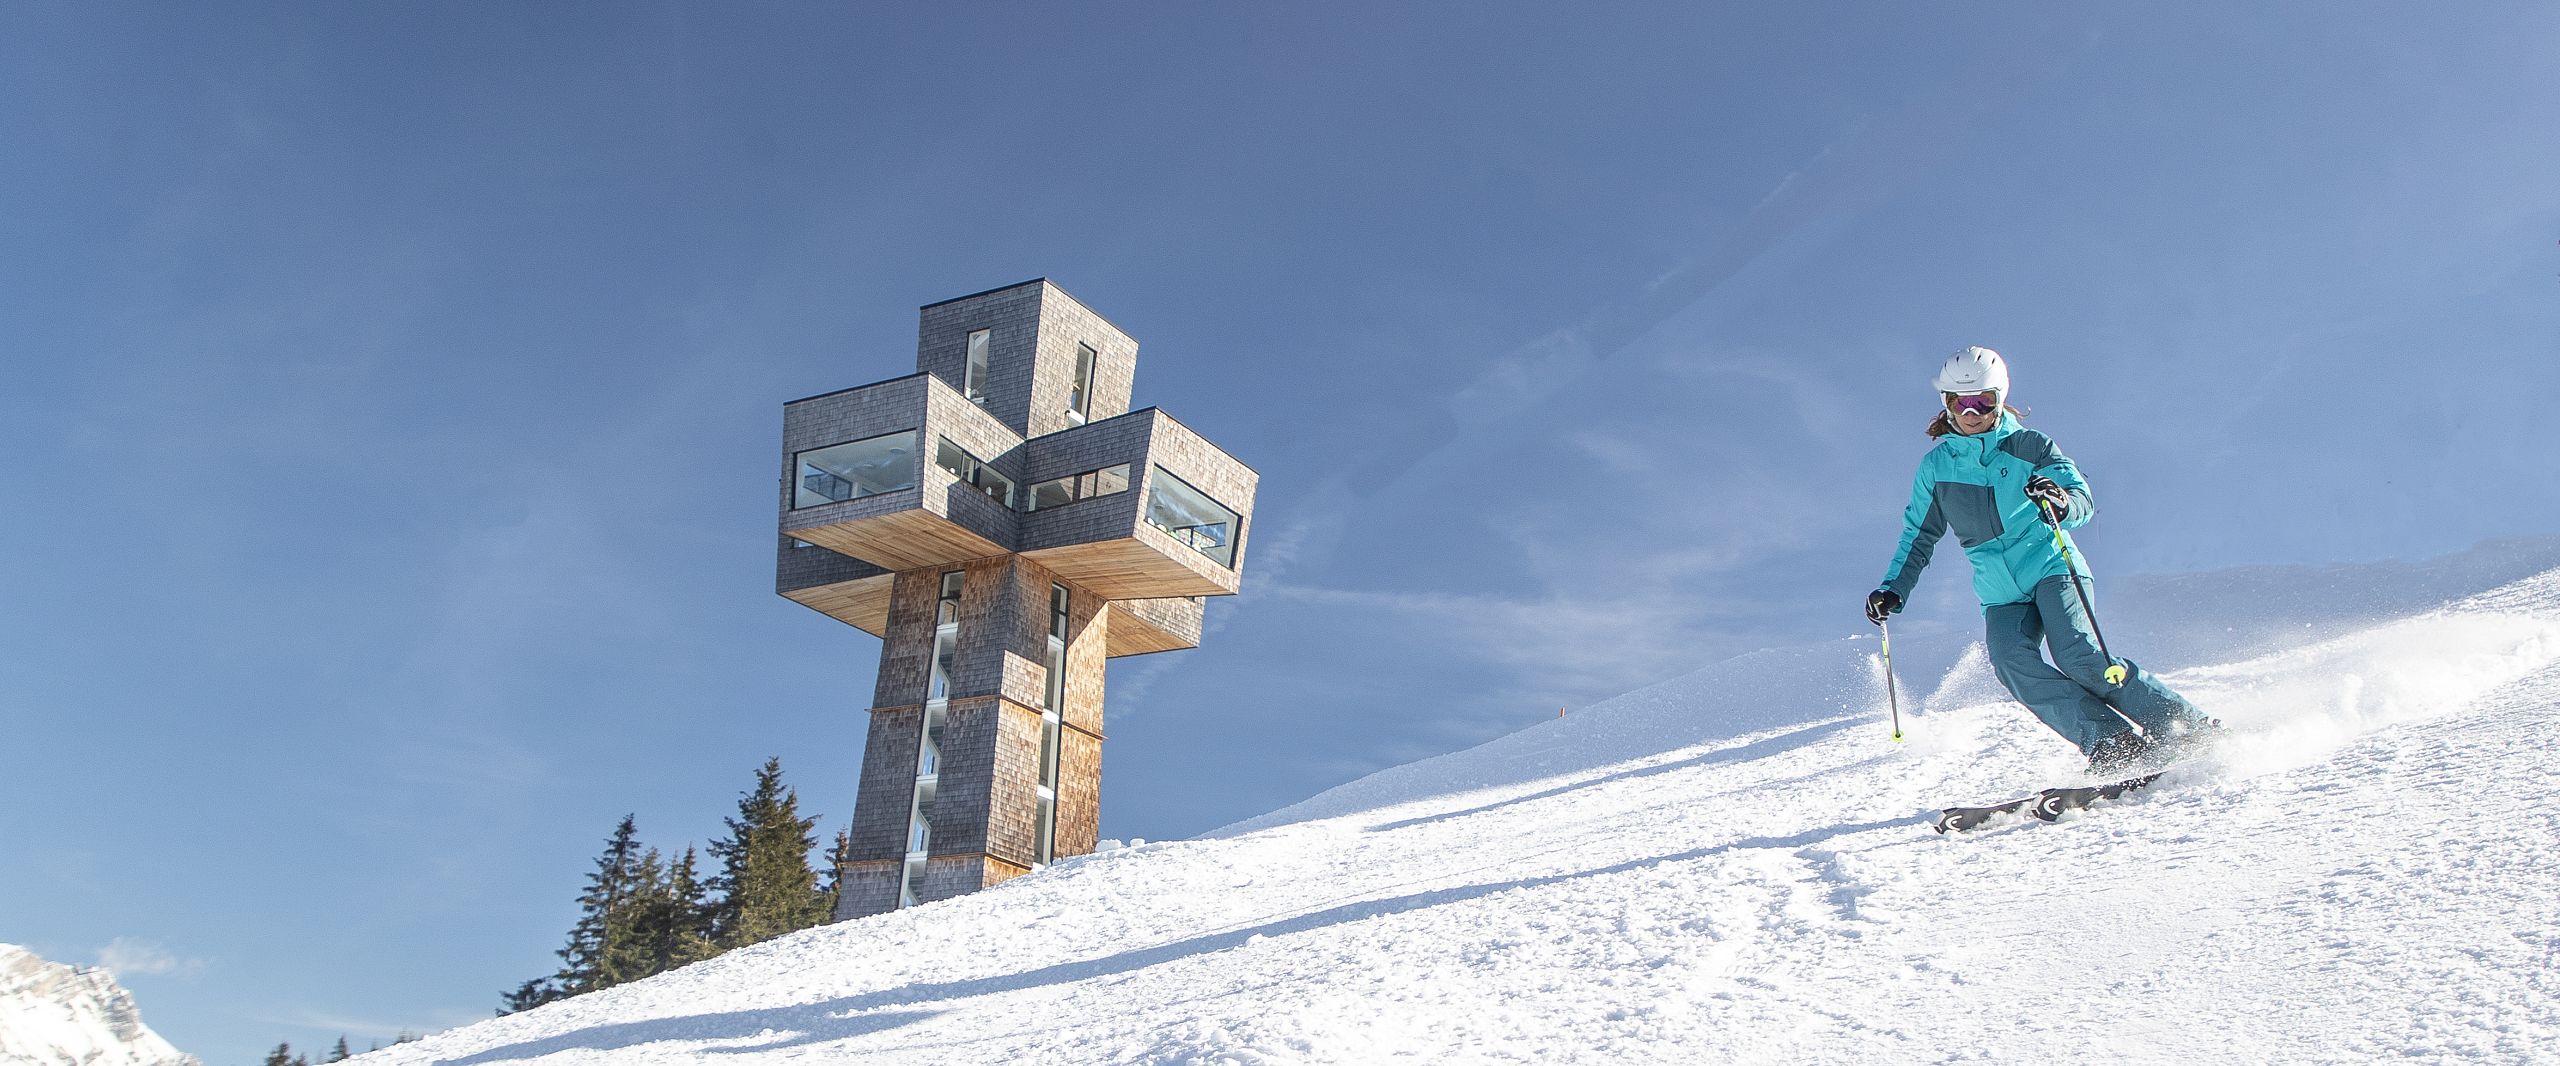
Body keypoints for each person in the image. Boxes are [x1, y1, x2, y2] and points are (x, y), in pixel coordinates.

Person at [1866, 346, 2215, 773]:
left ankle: (2184, 726)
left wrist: (2061, 501)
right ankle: (2113, 743)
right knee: (2012, 664)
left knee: (2080, 658)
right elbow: (1918, 536)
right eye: (1961, 402)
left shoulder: (2030, 445)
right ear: (1947, 404)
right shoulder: (1935, 468)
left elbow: (2082, 498)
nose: (1972, 411)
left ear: (1998, 399)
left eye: (1983, 401)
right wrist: (1892, 590)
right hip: (1999, 591)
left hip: (2051, 567)